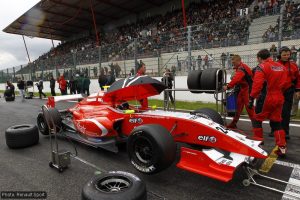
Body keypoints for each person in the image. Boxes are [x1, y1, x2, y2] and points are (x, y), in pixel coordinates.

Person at [249, 49, 288, 156]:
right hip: (279, 97)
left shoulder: (261, 67)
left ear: (260, 58)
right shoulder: (281, 67)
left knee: (257, 119)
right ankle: (282, 148)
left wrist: (251, 98)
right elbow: (286, 83)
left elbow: (257, 85)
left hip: (265, 98)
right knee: (276, 123)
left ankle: (258, 145)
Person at [269, 46, 300, 139]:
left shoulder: (294, 65)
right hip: (276, 91)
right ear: (279, 55)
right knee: (275, 111)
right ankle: (274, 130)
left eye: (288, 54)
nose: (286, 56)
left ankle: (285, 131)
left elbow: (298, 78)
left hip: (288, 91)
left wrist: (298, 90)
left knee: (286, 112)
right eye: (284, 54)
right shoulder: (274, 64)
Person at [223, 55, 254, 129]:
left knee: (249, 108)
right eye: (232, 62)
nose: (232, 63)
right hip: (243, 89)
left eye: (234, 62)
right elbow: (237, 79)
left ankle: (256, 126)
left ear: (238, 61)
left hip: (248, 89)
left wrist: (228, 86)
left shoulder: (241, 68)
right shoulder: (239, 68)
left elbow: (237, 79)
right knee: (238, 107)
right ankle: (234, 123)